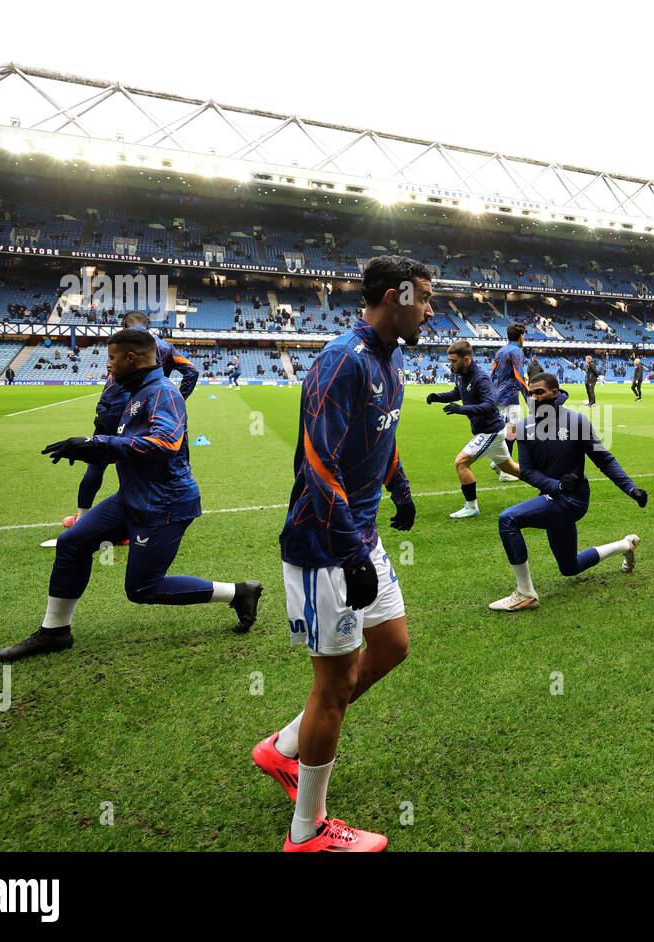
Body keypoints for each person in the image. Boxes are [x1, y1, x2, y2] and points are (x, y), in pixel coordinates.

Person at [253, 255, 428, 852]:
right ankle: (308, 832)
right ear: (392, 296)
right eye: (423, 298)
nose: (430, 309)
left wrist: (398, 487)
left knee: (392, 646)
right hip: (324, 544)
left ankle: (283, 749)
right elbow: (317, 459)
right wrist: (349, 546)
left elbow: (384, 431)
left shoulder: (393, 358)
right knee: (335, 681)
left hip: (361, 536)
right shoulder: (341, 360)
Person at [0, 328, 262, 664]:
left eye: (112, 358)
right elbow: (126, 446)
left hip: (164, 504)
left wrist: (99, 444)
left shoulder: (163, 393)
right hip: (130, 497)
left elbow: (165, 444)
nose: (108, 366)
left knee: (142, 589)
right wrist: (91, 449)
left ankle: (239, 592)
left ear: (131, 358)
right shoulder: (131, 391)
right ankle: (55, 631)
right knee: (72, 543)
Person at [489, 373, 648, 611]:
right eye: (531, 393)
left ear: (555, 392)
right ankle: (625, 545)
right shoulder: (523, 427)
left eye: (539, 392)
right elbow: (528, 471)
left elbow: (604, 460)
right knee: (569, 567)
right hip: (552, 497)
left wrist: (630, 488)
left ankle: (525, 594)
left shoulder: (577, 422)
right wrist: (556, 486)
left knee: (508, 519)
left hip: (574, 501)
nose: (533, 397)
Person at [61, 313, 200, 533]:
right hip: (146, 408)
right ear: (148, 325)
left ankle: (82, 517)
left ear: (124, 327)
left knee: (97, 462)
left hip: (114, 409)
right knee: (138, 462)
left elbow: (110, 381)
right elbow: (192, 371)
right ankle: (130, 520)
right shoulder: (162, 346)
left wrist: (102, 410)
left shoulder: (121, 346)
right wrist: (178, 399)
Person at [426, 340, 522, 518]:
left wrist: (462, 409)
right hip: (486, 431)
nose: (451, 365)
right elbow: (457, 393)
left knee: (461, 462)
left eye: (454, 361)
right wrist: (437, 397)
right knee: (511, 469)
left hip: (491, 431)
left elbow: (490, 405)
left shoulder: (481, 378)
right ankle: (548, 483)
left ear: (467, 359)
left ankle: (471, 507)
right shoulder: (462, 374)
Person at [491, 324, 528, 477]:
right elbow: (519, 376)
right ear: (520, 336)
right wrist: (529, 399)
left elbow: (493, 372)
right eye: (524, 335)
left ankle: (499, 463)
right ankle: (505, 470)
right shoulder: (517, 351)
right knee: (513, 430)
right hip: (510, 396)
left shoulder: (500, 351)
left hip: (497, 395)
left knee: (506, 430)